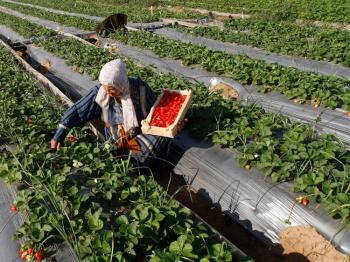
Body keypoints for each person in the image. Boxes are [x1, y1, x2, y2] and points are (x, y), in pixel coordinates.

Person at [51, 59, 170, 165]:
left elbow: (158, 112)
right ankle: (124, 158)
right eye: (105, 86)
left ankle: (139, 165)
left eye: (111, 87)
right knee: (118, 156)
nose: (107, 91)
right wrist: (61, 132)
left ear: (121, 83)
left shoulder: (141, 89)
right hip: (114, 141)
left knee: (157, 143)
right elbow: (78, 110)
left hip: (140, 137)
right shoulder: (101, 91)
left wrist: (172, 121)